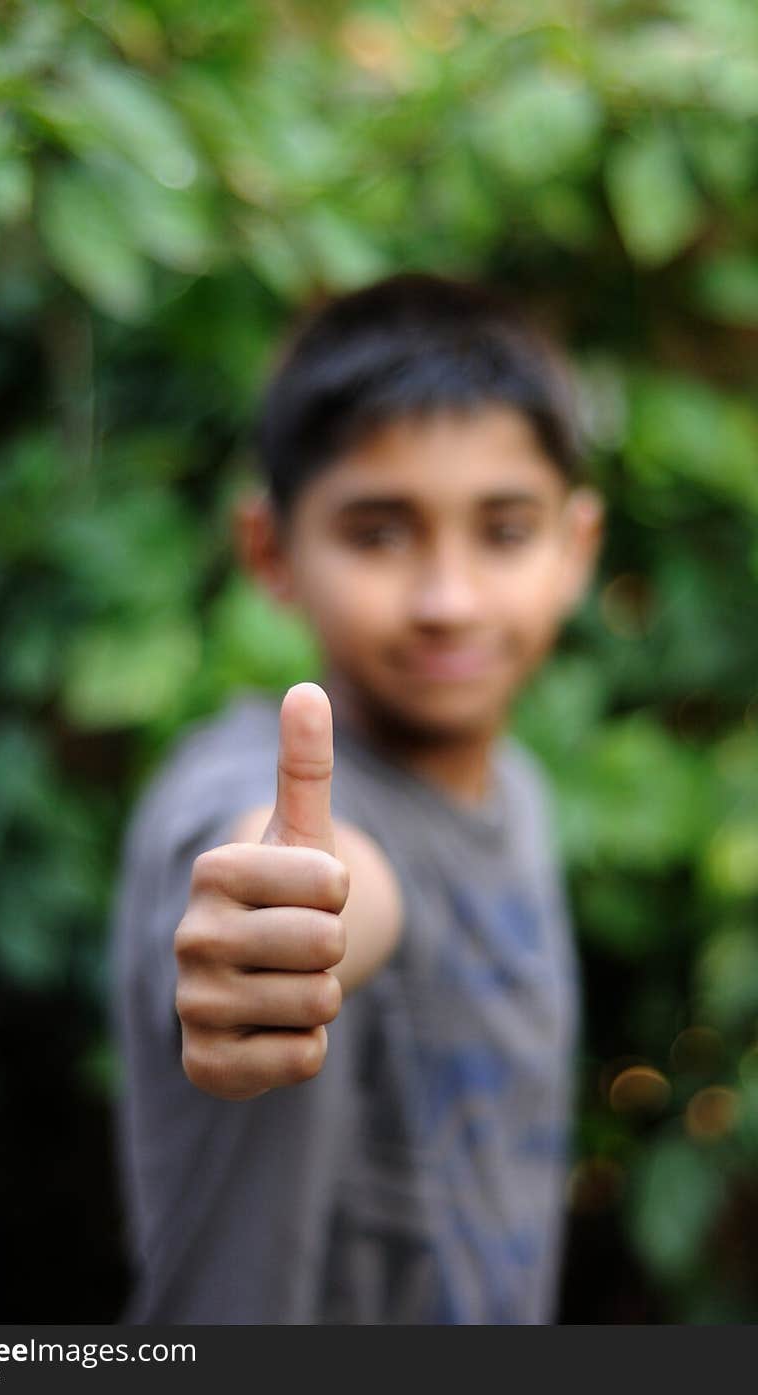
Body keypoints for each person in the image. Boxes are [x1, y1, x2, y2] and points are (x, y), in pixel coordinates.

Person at [111, 272, 604, 1324]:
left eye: (504, 530)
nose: (447, 599)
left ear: (577, 548)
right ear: (268, 551)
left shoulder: (516, 793)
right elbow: (320, 874)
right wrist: (285, 923)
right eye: (378, 533)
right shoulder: (232, 786)